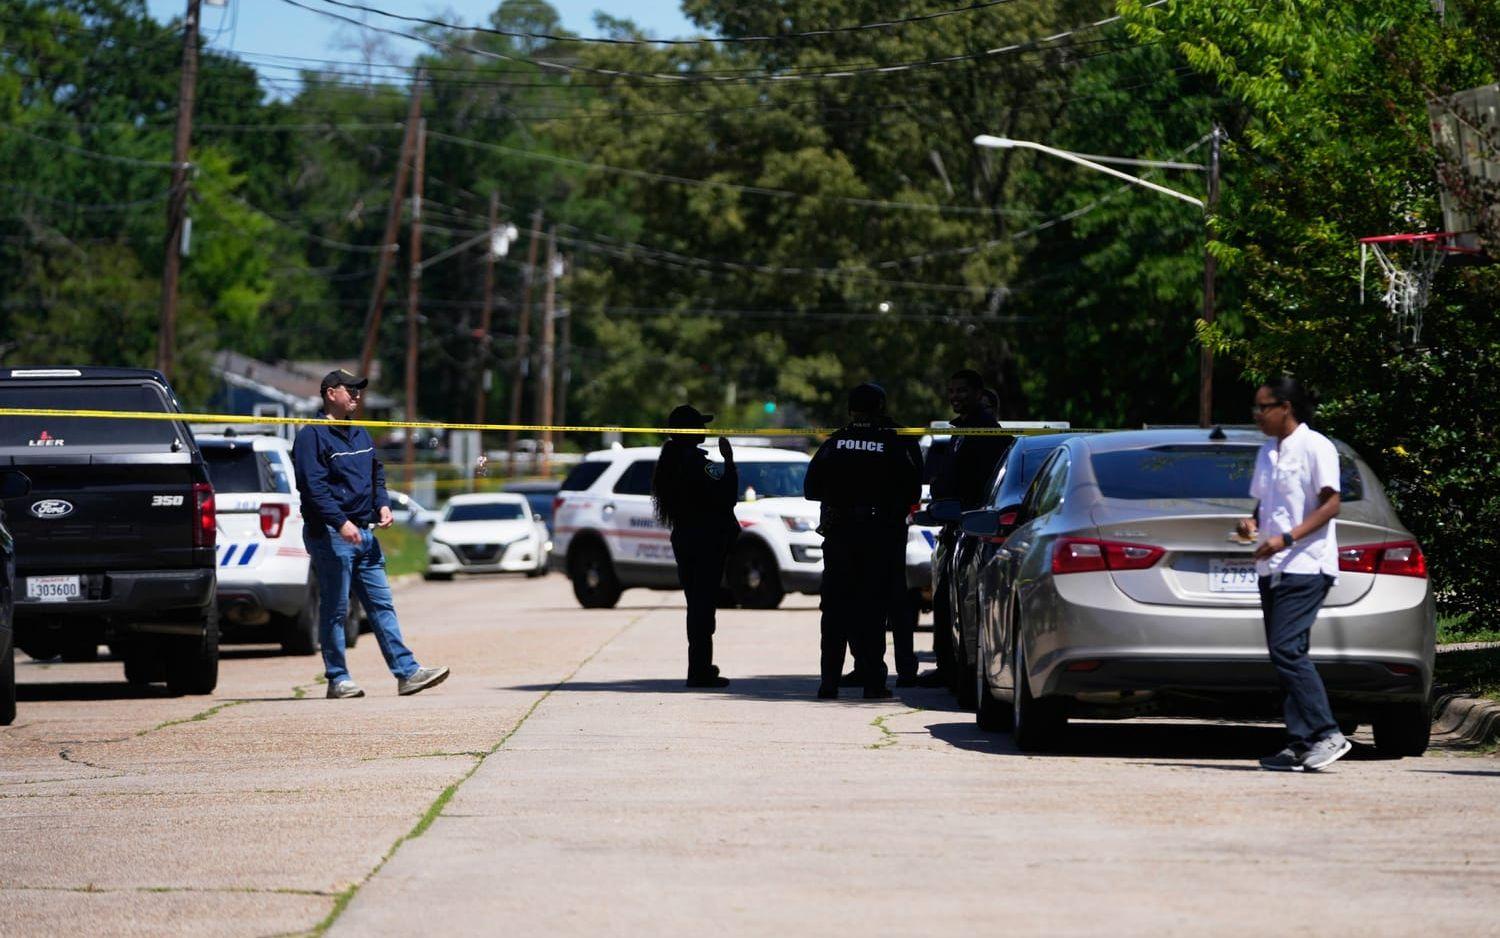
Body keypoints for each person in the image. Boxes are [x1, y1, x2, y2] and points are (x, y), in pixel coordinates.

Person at [293, 369, 449, 699]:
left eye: (360, 391)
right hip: (332, 535)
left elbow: (376, 474)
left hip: (364, 534)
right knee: (336, 609)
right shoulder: (312, 436)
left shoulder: (360, 434)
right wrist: (340, 523)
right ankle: (338, 679)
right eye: (350, 390)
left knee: (382, 606)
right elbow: (313, 488)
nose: (357, 396)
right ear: (330, 393)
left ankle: (407, 673)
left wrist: (382, 505)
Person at [1237, 376, 1348, 772]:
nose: (1257, 415)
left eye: (1263, 407)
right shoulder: (1267, 450)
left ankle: (1327, 733)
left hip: (1307, 563)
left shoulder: (1316, 447)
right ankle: (1300, 742)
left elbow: (1330, 505)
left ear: (1286, 407)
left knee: (1286, 650)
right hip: (1272, 565)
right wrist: (1251, 525)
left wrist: (1285, 538)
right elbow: (1263, 505)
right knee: (1287, 653)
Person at [805, 383, 923, 699]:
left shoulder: (835, 442)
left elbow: (811, 488)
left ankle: (828, 683)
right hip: (879, 536)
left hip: (840, 535)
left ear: (850, 410)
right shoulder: (893, 442)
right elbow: (913, 491)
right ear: (881, 407)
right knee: (873, 610)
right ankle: (873, 683)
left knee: (835, 611)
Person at [920, 369, 1007, 688]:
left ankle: (959, 671)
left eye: (961, 391)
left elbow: (977, 482)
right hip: (954, 525)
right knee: (945, 602)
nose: (955, 396)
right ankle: (948, 668)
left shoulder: (985, 431)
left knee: (957, 603)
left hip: (971, 527)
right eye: (951, 391)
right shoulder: (964, 429)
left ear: (978, 393)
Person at [651, 405, 738, 688]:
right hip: (707, 540)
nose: (704, 430)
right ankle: (699, 670)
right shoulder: (701, 463)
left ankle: (700, 666)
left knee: (696, 603)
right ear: (689, 431)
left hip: (686, 537)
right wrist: (729, 460)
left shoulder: (670, 460)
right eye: (699, 426)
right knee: (703, 607)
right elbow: (727, 495)